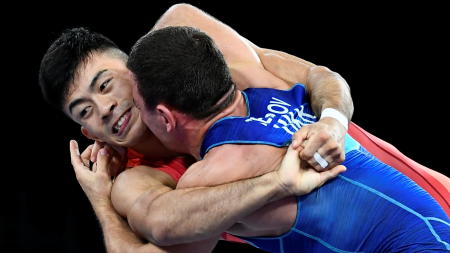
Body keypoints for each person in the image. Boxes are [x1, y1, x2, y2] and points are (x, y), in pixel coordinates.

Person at [39, 6, 353, 253]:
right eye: (85, 111)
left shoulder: (187, 38)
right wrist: (100, 198)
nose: (105, 108)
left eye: (105, 84)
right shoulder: (139, 182)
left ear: (132, 68)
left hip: (369, 162)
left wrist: (333, 125)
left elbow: (321, 76)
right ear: (90, 134)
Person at [127, 26, 450, 252]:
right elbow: (325, 75)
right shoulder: (280, 91)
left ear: (166, 117)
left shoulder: (213, 176)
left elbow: (160, 227)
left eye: (140, 108)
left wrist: (100, 195)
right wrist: (333, 122)